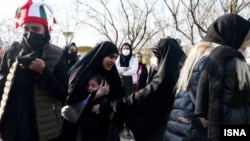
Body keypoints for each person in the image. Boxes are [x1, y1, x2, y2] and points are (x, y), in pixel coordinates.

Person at [0, 0, 68, 140]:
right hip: (13, 126)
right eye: (26, 29)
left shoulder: (56, 54)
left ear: (45, 30)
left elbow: (62, 93)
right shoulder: (12, 52)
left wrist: (43, 72)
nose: (30, 33)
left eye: (35, 29)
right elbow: (2, 87)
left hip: (41, 129)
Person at [115, 37, 186, 141]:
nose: (156, 59)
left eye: (157, 55)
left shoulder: (167, 76)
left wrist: (122, 103)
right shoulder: (184, 69)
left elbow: (151, 92)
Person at [194, 14, 250, 141]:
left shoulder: (200, 61)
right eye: (244, 46)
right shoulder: (226, 65)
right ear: (234, 41)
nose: (246, 51)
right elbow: (222, 119)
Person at [60, 41, 124, 141]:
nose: (113, 61)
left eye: (115, 58)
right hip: (83, 128)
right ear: (103, 54)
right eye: (111, 56)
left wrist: (108, 107)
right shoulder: (82, 71)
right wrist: (95, 95)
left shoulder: (112, 74)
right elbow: (72, 99)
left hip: (105, 130)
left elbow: (118, 97)